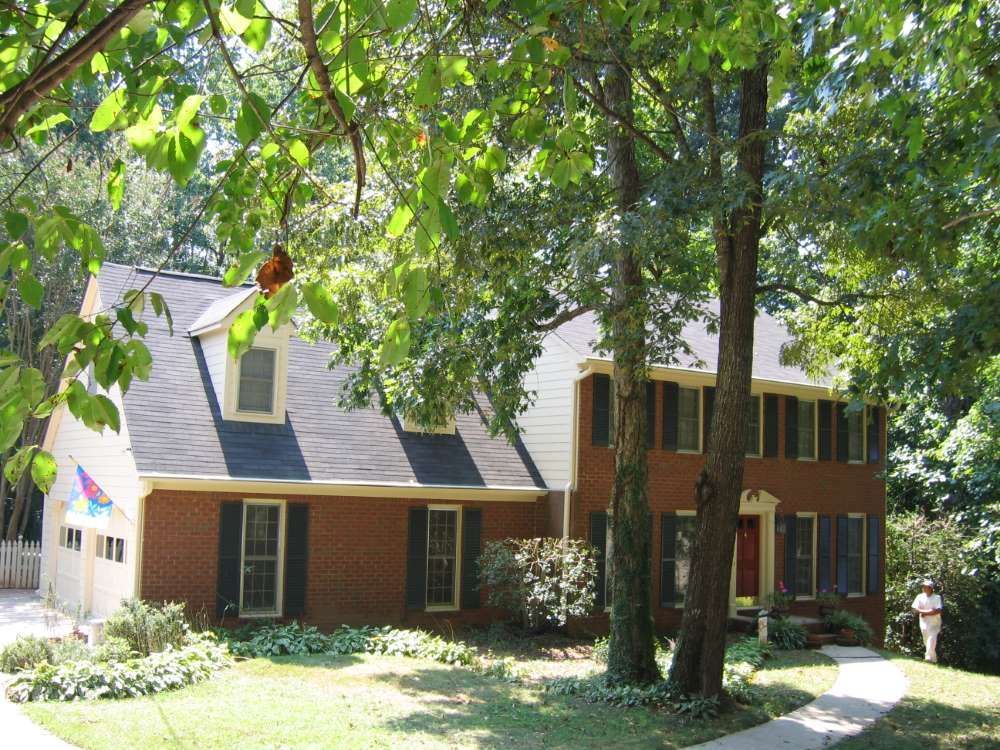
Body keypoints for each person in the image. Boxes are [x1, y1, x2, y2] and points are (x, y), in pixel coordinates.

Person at [911, 579, 943, 663]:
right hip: (923, 623)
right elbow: (914, 609)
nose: (924, 588)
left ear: (931, 588)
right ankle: (934, 659)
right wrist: (928, 612)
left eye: (926, 587)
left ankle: (928, 657)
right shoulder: (919, 596)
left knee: (931, 639)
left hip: (934, 623)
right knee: (926, 641)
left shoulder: (937, 597)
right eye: (923, 586)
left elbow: (938, 610)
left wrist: (923, 612)